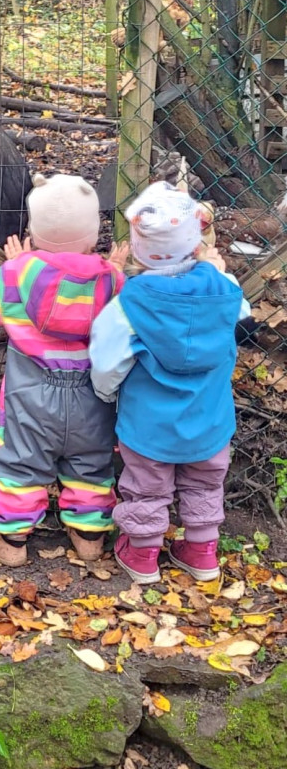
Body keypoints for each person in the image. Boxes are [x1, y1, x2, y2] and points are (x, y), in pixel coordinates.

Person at [89, 182, 250, 584]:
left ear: (139, 249)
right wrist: (214, 270)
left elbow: (108, 358)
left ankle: (142, 555)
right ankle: (201, 550)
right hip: (210, 420)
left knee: (146, 486)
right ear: (197, 245)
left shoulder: (132, 300)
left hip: (149, 423)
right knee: (205, 482)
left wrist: (106, 391)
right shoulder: (225, 289)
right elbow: (241, 312)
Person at [0, 173, 128, 567]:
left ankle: (9, 539)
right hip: (92, 393)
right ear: (94, 235)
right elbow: (118, 311)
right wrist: (113, 267)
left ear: (33, 233)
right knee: (91, 460)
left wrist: (18, 263)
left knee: (22, 461)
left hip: (32, 395)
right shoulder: (111, 279)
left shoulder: (18, 274)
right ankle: (90, 536)